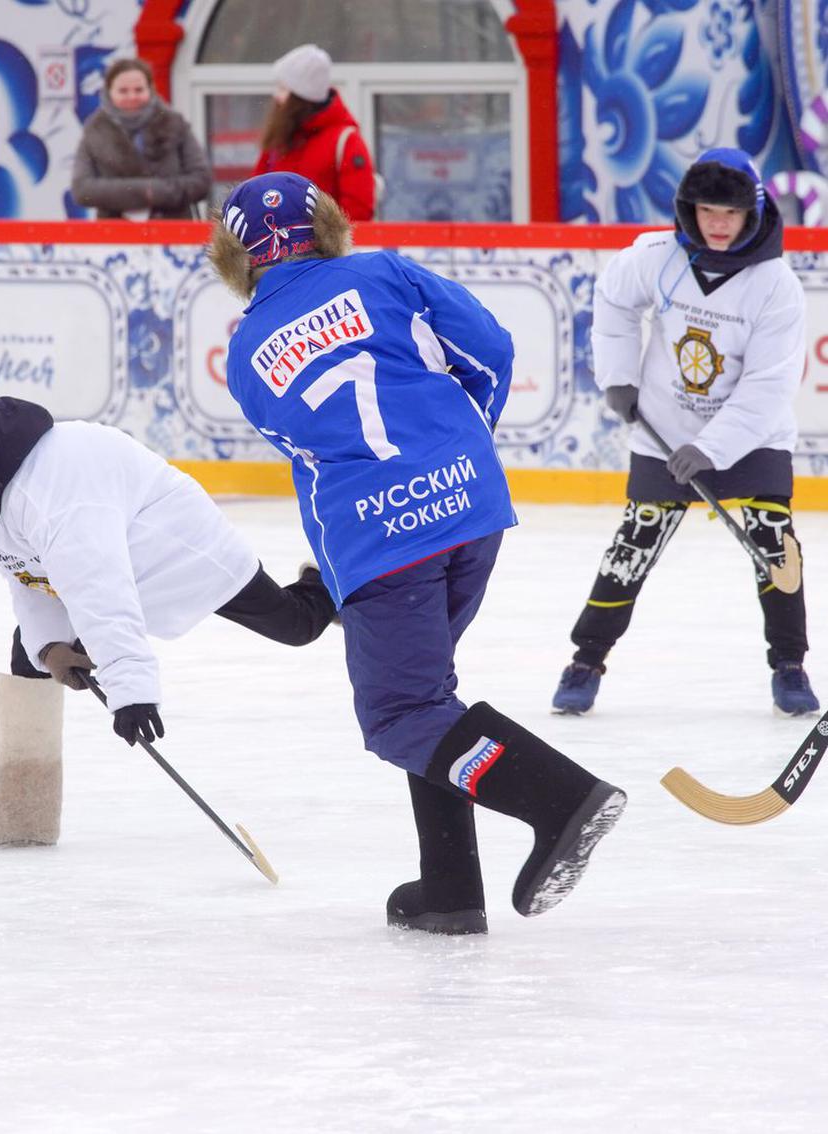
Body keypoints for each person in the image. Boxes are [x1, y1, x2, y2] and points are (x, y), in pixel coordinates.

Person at [208, 171, 626, 934]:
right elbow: (492, 350)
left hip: (379, 538)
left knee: (402, 712)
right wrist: (462, 442)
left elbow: (307, 446)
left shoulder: (244, 355)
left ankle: (561, 799)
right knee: (430, 699)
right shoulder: (386, 271)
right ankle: (450, 890)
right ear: (327, 224)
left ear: (234, 257)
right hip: (472, 506)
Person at [0, 396, 335, 847]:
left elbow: (103, 590)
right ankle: (22, 810)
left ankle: (329, 580)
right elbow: (26, 576)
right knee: (27, 649)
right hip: (101, 562)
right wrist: (50, 647)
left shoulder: (53, 496)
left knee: (297, 626)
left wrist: (132, 691)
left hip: (182, 553)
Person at [551, 147, 819, 718]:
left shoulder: (775, 285)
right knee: (635, 541)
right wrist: (618, 377)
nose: (718, 224)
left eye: (730, 213)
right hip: (665, 430)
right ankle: (587, 659)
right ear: (688, 209)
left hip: (752, 438)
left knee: (775, 543)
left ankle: (789, 664)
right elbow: (616, 303)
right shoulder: (657, 256)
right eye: (706, 211)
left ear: (753, 212)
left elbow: (769, 382)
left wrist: (713, 447)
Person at [71, 57, 211, 220]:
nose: (132, 97)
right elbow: (82, 189)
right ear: (108, 92)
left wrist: (154, 192)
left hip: (174, 233)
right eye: (123, 91)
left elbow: (201, 181)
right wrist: (146, 192)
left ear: (150, 89)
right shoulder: (95, 129)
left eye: (139, 90)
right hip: (115, 236)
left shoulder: (175, 123)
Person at [253, 44, 376, 221]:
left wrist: (313, 240)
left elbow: (357, 213)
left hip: (324, 248)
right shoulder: (280, 139)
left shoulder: (346, 141)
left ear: (300, 98)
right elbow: (255, 193)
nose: (276, 97)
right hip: (276, 244)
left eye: (283, 89)